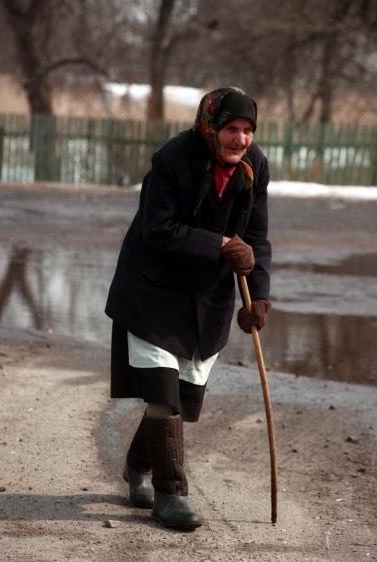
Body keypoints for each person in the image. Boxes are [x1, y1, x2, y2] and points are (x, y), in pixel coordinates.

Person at [105, 86, 271, 531]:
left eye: (247, 130)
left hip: (207, 298)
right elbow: (156, 229)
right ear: (209, 126)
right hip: (153, 290)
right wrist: (219, 244)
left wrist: (260, 295)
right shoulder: (172, 160)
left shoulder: (256, 167)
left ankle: (136, 466)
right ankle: (170, 494)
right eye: (231, 129)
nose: (240, 140)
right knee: (162, 391)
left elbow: (256, 238)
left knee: (181, 395)